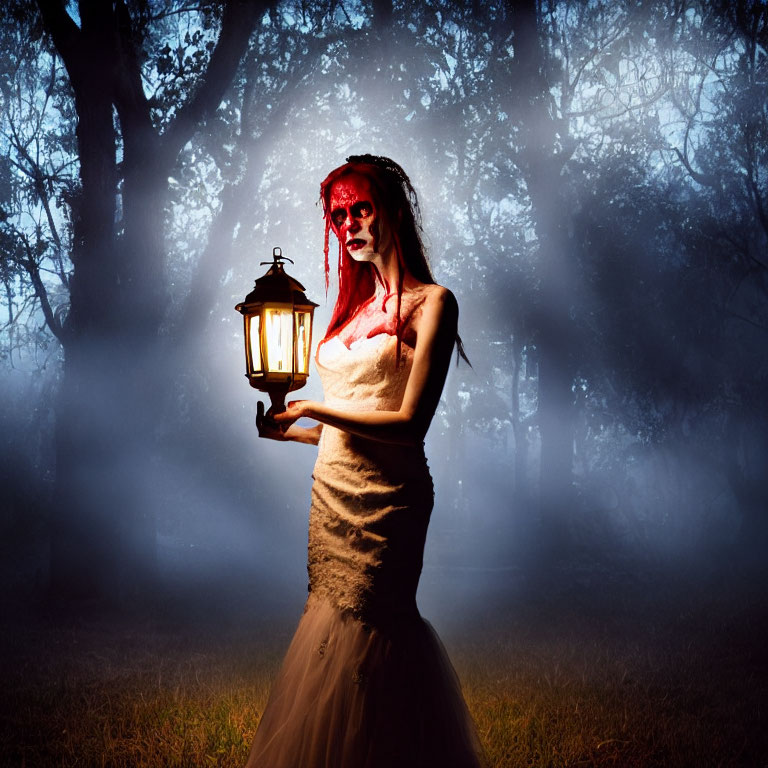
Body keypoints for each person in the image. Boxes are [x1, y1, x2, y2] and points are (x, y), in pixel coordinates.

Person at [245, 155, 484, 767]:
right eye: (339, 215)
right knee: (327, 632)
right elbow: (344, 432)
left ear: (394, 211)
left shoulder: (435, 303)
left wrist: (315, 412)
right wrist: (289, 431)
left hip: (390, 501)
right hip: (332, 495)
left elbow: (407, 426)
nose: (348, 224)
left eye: (361, 209)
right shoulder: (350, 312)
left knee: (376, 634)